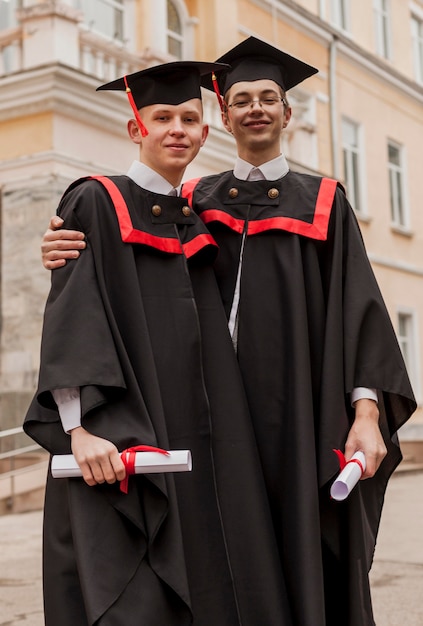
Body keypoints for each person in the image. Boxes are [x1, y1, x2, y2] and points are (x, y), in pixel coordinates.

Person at [40, 38, 416, 626]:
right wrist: (65, 247)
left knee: (301, 558)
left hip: (297, 424)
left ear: (287, 114)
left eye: (270, 98)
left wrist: (366, 414)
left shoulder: (323, 203)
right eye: (241, 99)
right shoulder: (188, 203)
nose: (256, 108)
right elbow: (114, 292)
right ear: (225, 116)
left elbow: (359, 313)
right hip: (205, 424)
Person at [25, 60, 293, 626]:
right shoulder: (96, 200)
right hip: (118, 441)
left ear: (204, 132)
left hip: (193, 443)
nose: (177, 128)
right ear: (135, 128)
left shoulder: (193, 220)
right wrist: (78, 429)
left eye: (190, 118)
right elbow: (73, 316)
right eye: (162, 116)